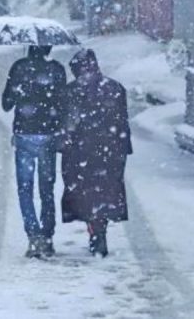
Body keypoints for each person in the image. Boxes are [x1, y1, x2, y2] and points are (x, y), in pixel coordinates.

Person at [59, 49, 132, 258]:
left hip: (81, 152)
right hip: (110, 151)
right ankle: (100, 230)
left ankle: (95, 230)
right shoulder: (115, 88)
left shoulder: (71, 91)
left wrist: (65, 143)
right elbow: (122, 123)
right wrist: (122, 150)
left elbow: (69, 123)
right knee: (105, 192)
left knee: (85, 194)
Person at [2, 45, 67, 258]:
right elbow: (63, 104)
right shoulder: (56, 70)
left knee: (25, 188)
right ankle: (47, 237)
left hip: (24, 135)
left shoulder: (19, 68)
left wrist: (19, 92)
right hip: (48, 135)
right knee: (47, 189)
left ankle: (33, 235)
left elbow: (6, 104)